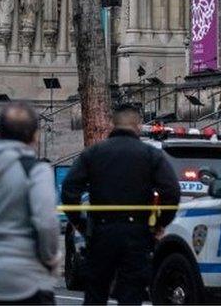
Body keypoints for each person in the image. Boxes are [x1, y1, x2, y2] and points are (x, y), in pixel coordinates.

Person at [61, 105, 181, 305]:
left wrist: (80, 223)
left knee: (96, 293)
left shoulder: (94, 153)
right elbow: (171, 191)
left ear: (113, 124)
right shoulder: (150, 155)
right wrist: (159, 224)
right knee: (131, 294)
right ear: (138, 125)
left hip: (101, 232)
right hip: (137, 233)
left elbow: (69, 190)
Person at [0, 103, 59, 305]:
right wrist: (51, 258)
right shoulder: (37, 171)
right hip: (27, 278)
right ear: (35, 135)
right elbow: (46, 222)